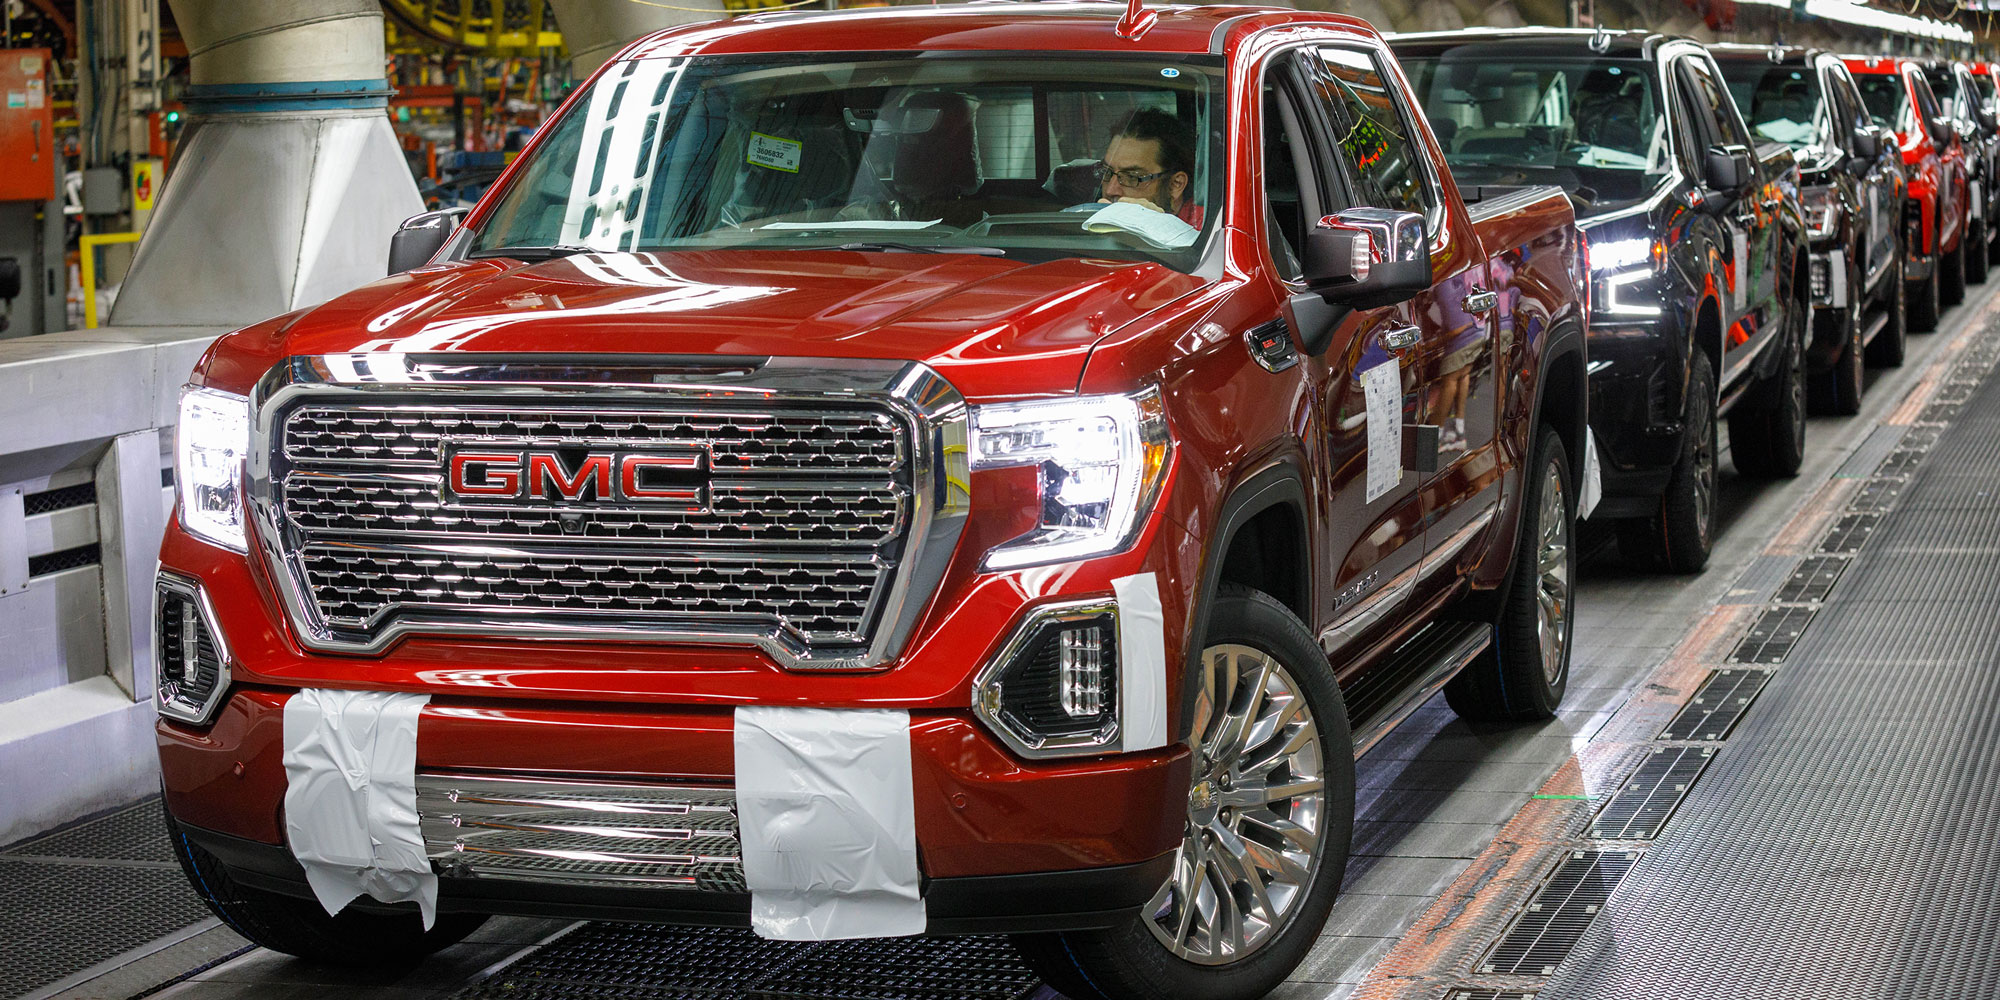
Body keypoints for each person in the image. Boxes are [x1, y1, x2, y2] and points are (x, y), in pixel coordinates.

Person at [1098, 108, 1204, 228]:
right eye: (1107, 172)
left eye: (1132, 177)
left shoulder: (1204, 231)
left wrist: (1157, 228)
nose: (1110, 191)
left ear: (1175, 184)